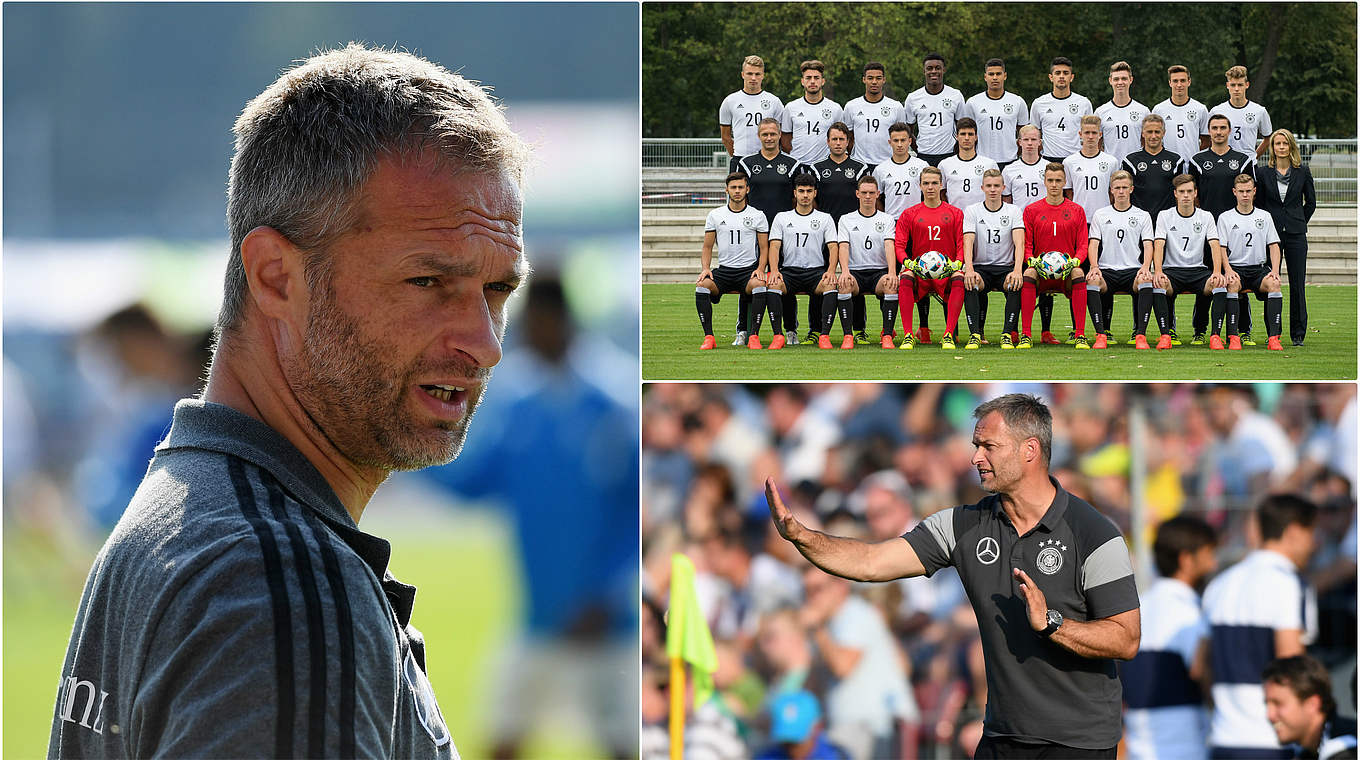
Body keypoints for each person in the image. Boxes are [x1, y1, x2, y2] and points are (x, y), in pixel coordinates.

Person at [47, 44, 531, 759]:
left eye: (497, 292)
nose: (484, 343)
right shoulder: (280, 591)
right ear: (275, 276)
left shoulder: (193, 508)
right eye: (430, 282)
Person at [766, 393, 1140, 758]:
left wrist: (1053, 624)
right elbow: (869, 563)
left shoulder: (1095, 534)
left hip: (1077, 743)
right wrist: (803, 536)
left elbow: (1126, 639)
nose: (975, 457)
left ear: (1030, 450)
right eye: (975, 445)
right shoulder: (962, 525)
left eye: (988, 446)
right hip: (1001, 737)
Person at [1203, 494, 1320, 759]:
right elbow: (1291, 663)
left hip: (1222, 739)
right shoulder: (1289, 583)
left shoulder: (1220, 584)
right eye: (1312, 533)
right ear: (1293, 532)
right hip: (1271, 740)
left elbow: (1204, 665)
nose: (1315, 543)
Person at [1120, 516, 1217, 760]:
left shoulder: (1139, 605)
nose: (1213, 564)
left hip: (1138, 743)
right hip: (1185, 744)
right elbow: (1200, 669)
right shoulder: (1188, 611)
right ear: (1186, 560)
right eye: (1208, 554)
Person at [797, 567, 916, 760]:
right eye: (806, 591)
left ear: (841, 586)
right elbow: (812, 685)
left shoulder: (855, 615)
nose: (811, 598)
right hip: (853, 728)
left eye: (817, 589)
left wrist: (816, 629)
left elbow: (842, 667)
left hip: (875, 726)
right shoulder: (832, 624)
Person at [1188, 115, 1255, 344]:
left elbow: (1249, 191)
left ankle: (1242, 331)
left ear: (1229, 130)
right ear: (1209, 131)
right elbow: (1192, 194)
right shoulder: (1197, 160)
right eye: (1214, 128)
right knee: (1207, 279)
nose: (1218, 132)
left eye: (1222, 128)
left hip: (1234, 228)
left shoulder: (1242, 159)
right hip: (1206, 229)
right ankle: (1200, 330)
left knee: (1236, 277)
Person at [1019, 163, 1095, 349]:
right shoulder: (1031, 210)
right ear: (1044, 181)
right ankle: (1026, 334)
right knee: (1028, 273)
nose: (1054, 184)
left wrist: (1075, 261)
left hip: (1066, 271)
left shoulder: (1077, 210)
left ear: (1065, 182)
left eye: (1058, 180)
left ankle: (1080, 335)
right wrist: (1033, 261)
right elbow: (1026, 245)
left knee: (1078, 273)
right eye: (1050, 180)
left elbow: (1083, 245)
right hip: (1040, 271)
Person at [808, 123, 872, 344]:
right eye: (833, 139)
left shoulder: (860, 168)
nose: (837, 143)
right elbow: (813, 199)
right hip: (823, 232)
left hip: (852, 231)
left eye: (841, 139)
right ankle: (815, 329)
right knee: (820, 277)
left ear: (848, 142)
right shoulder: (816, 168)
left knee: (853, 277)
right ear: (827, 142)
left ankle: (859, 330)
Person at [1254, 128, 1317, 345]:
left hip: (1296, 234)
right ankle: (1274, 332)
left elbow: (1311, 203)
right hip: (1270, 236)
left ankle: (1298, 334)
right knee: (1271, 280)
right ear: (1272, 147)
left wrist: (1298, 220)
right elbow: (1260, 205)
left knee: (1297, 284)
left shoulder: (1303, 171)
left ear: (1291, 146)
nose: (1281, 147)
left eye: (1285, 143)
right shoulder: (1262, 173)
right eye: (1277, 144)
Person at [1152, 174, 1229, 350]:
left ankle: (1214, 336)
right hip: (1172, 270)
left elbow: (1214, 245)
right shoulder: (1165, 216)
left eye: (1189, 191)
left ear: (1195, 193)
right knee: (1159, 284)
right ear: (1175, 194)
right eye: (1181, 191)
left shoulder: (1206, 216)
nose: (1185, 195)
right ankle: (1165, 334)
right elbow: (1159, 244)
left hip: (1198, 270)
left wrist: (1217, 271)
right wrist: (1157, 271)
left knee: (1218, 284)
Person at [893, 166, 967, 350]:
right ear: (919, 186)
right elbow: (899, 245)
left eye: (934, 183)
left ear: (941, 185)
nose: (930, 187)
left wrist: (957, 263)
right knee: (906, 277)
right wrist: (907, 262)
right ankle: (908, 335)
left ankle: (948, 334)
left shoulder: (955, 213)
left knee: (959, 277)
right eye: (926, 183)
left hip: (947, 271)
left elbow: (962, 244)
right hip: (920, 271)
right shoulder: (909, 213)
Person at [696, 172, 771, 350]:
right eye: (733, 188)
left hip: (747, 271)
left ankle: (753, 336)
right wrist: (706, 268)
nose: (737, 191)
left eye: (740, 187)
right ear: (727, 190)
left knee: (760, 284)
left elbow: (764, 247)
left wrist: (761, 268)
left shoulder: (757, 215)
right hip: (724, 271)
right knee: (701, 285)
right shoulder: (715, 215)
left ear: (747, 189)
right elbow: (707, 246)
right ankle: (709, 337)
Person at [1086, 171, 1156, 349]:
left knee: (1146, 279)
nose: (1121, 191)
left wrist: (1146, 267)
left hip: (1133, 271)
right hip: (1107, 271)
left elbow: (1148, 245)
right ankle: (1101, 334)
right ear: (1111, 190)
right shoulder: (1100, 214)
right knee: (1092, 280)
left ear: (1132, 189)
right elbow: (1093, 244)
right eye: (1117, 188)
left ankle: (1140, 335)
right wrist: (1094, 266)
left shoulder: (1143, 215)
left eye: (1125, 187)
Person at [1217, 173, 1286, 351]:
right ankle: (1233, 337)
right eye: (1241, 191)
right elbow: (1221, 248)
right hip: (1236, 269)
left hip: (1259, 269)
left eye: (1248, 191)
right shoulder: (1225, 217)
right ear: (1234, 192)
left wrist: (1275, 271)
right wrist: (1228, 269)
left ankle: (1273, 337)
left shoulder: (1264, 216)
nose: (1245, 195)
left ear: (1254, 191)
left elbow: (1274, 246)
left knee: (1275, 284)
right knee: (1231, 284)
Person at [770, 175, 839, 350]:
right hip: (789, 271)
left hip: (816, 272)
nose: (805, 195)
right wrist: (774, 270)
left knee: (830, 285)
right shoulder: (782, 217)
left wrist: (831, 270)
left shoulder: (825, 218)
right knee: (774, 285)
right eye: (801, 191)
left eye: (809, 191)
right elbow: (774, 246)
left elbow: (833, 247)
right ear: (795, 193)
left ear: (815, 193)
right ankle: (780, 335)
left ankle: (824, 335)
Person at [832, 175, 900, 350]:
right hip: (855, 271)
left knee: (891, 285)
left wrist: (892, 272)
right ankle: (848, 336)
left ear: (878, 194)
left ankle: (887, 335)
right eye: (864, 193)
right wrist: (845, 271)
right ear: (857, 194)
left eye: (871, 193)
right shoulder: (846, 219)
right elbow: (844, 247)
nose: (868, 196)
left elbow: (889, 246)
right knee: (844, 284)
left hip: (878, 272)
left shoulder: (886, 219)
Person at [961, 169, 1025, 349]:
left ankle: (1007, 333)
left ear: (1003, 188)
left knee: (1015, 283)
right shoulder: (972, 210)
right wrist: (969, 269)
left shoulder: (1013, 210)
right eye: (989, 186)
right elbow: (968, 242)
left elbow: (1019, 243)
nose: (993, 189)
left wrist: (1018, 270)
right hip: (981, 268)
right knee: (970, 282)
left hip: (1005, 268)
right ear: (982, 188)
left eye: (997, 186)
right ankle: (975, 334)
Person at [1263, 655, 1358, 760]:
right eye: (1267, 704)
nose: (1269, 715)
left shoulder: (1349, 751)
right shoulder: (1308, 752)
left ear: (1312, 704)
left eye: (1278, 703)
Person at [731, 117, 805, 228]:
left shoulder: (793, 164)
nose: (769, 138)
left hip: (784, 225)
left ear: (780, 135)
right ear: (758, 136)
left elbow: (798, 197)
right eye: (765, 134)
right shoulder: (746, 163)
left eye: (773, 134)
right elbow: (740, 196)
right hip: (754, 224)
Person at [905, 52, 967, 166]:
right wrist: (917, 148)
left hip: (949, 154)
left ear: (943, 70)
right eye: (929, 68)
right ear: (924, 71)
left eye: (937, 68)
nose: (933, 71)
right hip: (923, 155)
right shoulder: (913, 98)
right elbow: (908, 130)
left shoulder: (955, 95)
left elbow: (962, 127)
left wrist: (956, 148)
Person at [967, 58, 1030, 168]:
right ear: (985, 77)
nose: (995, 77)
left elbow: (1024, 134)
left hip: (1010, 161)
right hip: (982, 161)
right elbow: (968, 133)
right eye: (991, 74)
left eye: (998, 74)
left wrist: (1018, 153)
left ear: (1005, 76)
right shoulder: (973, 102)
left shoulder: (1018, 101)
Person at [755, 690, 851, 760]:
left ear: (817, 728)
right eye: (786, 741)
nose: (791, 748)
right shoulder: (768, 756)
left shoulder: (837, 756)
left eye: (797, 741)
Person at [1030, 57, 1093, 164]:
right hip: (1048, 160)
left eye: (1065, 73)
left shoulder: (1084, 103)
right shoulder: (1039, 103)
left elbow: (1090, 134)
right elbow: (1034, 134)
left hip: (1077, 160)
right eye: (1058, 73)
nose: (1062, 76)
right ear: (1051, 77)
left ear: (1071, 77)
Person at [781, 60, 844, 166]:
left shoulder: (835, 108)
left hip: (825, 165)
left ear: (823, 81)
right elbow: (785, 140)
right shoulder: (791, 107)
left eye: (816, 78)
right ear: (802, 81)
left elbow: (841, 138)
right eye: (808, 78)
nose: (812, 81)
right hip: (798, 164)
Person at [721, 55, 784, 158]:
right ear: (742, 75)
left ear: (763, 75)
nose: (753, 78)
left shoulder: (774, 101)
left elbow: (783, 134)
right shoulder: (730, 101)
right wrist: (737, 156)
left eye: (757, 74)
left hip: (767, 159)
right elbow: (725, 137)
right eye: (749, 74)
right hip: (740, 158)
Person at [844, 61, 904, 167]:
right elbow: (849, 137)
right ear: (864, 80)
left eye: (878, 78)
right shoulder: (851, 106)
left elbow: (902, 136)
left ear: (884, 80)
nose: (874, 82)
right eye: (870, 78)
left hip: (887, 164)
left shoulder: (896, 107)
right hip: (860, 164)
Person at [1153, 65, 1210, 168]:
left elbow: (1206, 139)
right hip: (1167, 166)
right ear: (1170, 83)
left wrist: (1198, 159)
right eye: (1175, 81)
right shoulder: (1159, 110)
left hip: (1193, 165)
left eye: (1182, 81)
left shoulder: (1200, 109)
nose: (1179, 85)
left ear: (1189, 82)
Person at [1210, 65, 1273, 159]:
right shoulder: (1216, 111)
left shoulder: (1259, 111)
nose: (1236, 89)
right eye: (1233, 85)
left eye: (1240, 85)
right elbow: (1209, 139)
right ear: (1227, 85)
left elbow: (1268, 139)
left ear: (1247, 85)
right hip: (1223, 164)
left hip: (1248, 165)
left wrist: (1254, 157)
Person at [1063, 114, 1117, 219]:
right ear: (1080, 134)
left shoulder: (1111, 161)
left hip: (1104, 218)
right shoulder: (1069, 162)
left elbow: (1113, 191)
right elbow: (1068, 191)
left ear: (1100, 134)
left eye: (1094, 133)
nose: (1091, 137)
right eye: (1087, 133)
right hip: (1079, 218)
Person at [940, 118, 1000, 212]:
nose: (967, 138)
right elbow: (941, 192)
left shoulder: (989, 164)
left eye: (970, 134)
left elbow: (997, 192)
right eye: (963, 134)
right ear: (957, 136)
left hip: (982, 217)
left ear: (976, 137)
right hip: (955, 217)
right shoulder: (945, 164)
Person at [1094, 61, 1149, 164]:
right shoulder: (1100, 112)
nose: (1120, 82)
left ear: (1131, 80)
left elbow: (1146, 143)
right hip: (1111, 170)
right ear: (1110, 81)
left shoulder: (1143, 111)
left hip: (1136, 168)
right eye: (1116, 79)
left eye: (1124, 79)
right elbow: (1097, 145)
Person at [873, 122, 929, 221]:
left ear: (910, 141)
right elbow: (876, 198)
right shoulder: (880, 169)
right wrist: (885, 218)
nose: (899, 144)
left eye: (903, 140)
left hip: (916, 220)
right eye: (896, 140)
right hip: (892, 221)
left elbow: (929, 194)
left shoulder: (922, 166)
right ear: (890, 142)